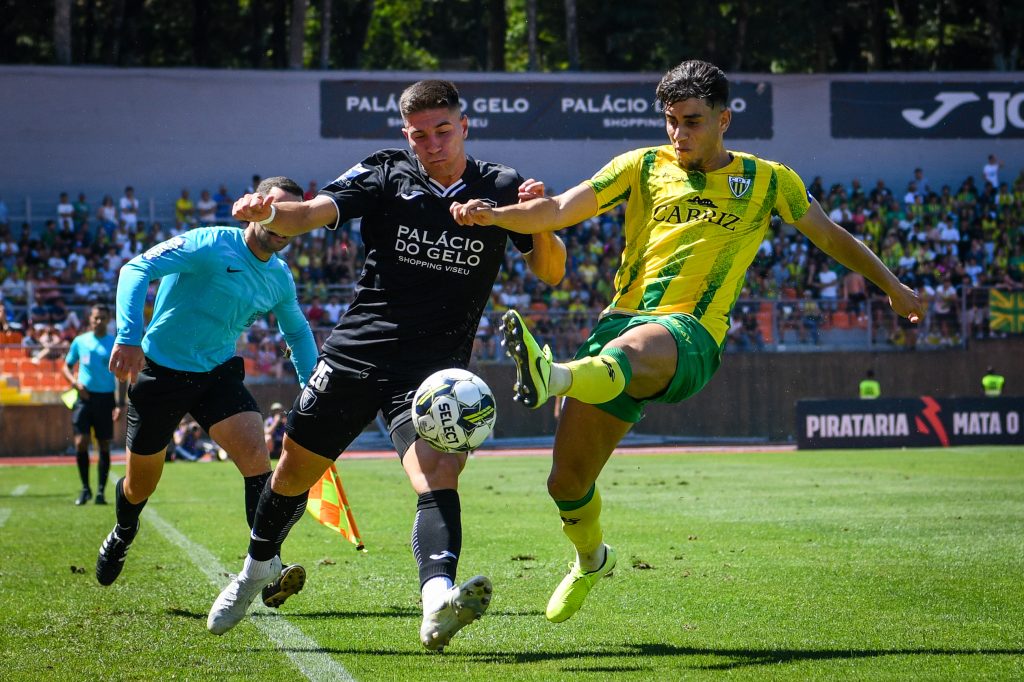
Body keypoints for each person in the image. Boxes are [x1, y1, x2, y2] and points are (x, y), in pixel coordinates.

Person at [450, 59, 923, 624]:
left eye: (693, 121)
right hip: (619, 323)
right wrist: (496, 215)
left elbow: (831, 236)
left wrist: (893, 287)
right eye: (671, 120)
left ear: (724, 119)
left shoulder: (771, 180)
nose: (679, 133)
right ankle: (592, 559)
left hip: (691, 333)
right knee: (567, 482)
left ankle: (552, 374)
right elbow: (556, 210)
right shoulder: (641, 166)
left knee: (628, 353)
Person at [207, 79, 566, 651]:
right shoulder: (384, 172)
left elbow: (551, 271)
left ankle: (437, 602)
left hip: (433, 372)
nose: (433, 144)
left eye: (443, 130)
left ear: (464, 126)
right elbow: (310, 214)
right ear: (406, 134)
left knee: (437, 474)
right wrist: (269, 210)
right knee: (293, 473)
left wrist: (533, 217)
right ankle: (256, 570)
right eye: (420, 135)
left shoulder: (500, 186)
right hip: (357, 351)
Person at [95, 176, 318, 617]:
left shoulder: (279, 277)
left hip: (216, 374)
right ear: (257, 207)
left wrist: (313, 386)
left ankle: (266, 566)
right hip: (160, 372)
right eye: (274, 210)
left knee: (257, 461)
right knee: (140, 486)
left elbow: (296, 331)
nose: (281, 223)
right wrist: (128, 336)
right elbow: (135, 269)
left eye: (291, 215)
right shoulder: (211, 243)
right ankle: (123, 531)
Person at [62, 303, 126, 505]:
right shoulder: (80, 341)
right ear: (90, 319)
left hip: (106, 399)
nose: (99, 321)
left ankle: (100, 492)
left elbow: (122, 375)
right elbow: (66, 366)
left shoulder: (115, 343)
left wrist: (120, 404)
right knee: (80, 442)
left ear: (109, 320)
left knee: (104, 444)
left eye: (103, 318)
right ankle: (85, 489)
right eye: (96, 318)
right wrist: (74, 383)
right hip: (84, 398)